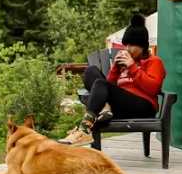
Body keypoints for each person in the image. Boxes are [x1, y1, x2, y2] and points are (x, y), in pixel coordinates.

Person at [59, 14, 166, 147]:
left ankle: (84, 129)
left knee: (100, 84)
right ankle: (105, 108)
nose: (127, 49)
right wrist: (115, 68)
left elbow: (153, 89)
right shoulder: (124, 63)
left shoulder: (154, 61)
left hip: (143, 106)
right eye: (126, 45)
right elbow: (108, 86)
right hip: (121, 106)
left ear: (142, 46)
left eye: (131, 45)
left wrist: (132, 67)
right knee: (90, 71)